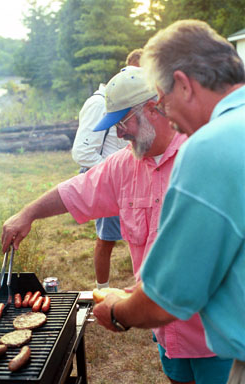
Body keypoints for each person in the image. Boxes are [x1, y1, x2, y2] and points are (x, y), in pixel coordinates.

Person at [1, 67, 232, 384]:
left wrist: (119, 314)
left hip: (216, 338)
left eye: (123, 123)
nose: (119, 134)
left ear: (153, 108)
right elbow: (77, 191)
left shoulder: (202, 158)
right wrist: (28, 213)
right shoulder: (127, 163)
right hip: (166, 333)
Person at [91, 19, 245, 383]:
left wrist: (117, 313)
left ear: (184, 84)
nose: (168, 117)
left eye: (162, 100)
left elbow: (169, 298)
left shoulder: (208, 146)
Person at [72, 83, 127, 289]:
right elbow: (82, 153)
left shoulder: (129, 100)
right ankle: (102, 289)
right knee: (106, 239)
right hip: (109, 183)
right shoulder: (98, 103)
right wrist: (115, 171)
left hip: (128, 183)